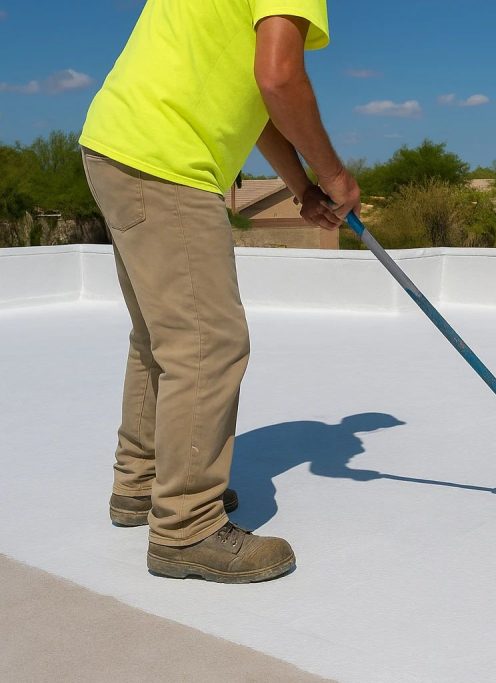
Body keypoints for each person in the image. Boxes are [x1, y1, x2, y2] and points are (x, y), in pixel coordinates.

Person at [79, 1, 359, 583]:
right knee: (209, 341)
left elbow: (251, 106)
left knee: (162, 333)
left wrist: (301, 186)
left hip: (120, 142)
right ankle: (186, 527)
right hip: (168, 161)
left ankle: (141, 485)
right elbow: (279, 77)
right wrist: (334, 175)